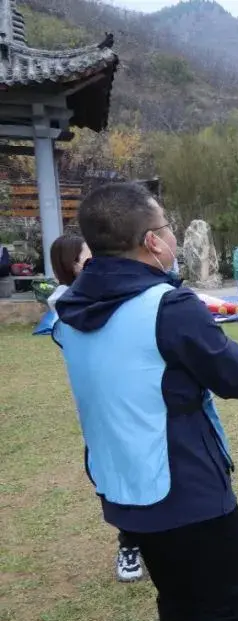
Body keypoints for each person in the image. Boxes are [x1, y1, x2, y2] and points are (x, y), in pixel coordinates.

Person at [51, 182, 238, 621]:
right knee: (227, 604)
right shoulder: (169, 306)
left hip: (122, 482)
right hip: (185, 485)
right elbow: (236, 376)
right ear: (152, 241)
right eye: (167, 227)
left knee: (179, 600)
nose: (173, 236)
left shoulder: (70, 309)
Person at [50, 235, 147, 583]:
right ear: (71, 266)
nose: (96, 263)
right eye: (86, 258)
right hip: (104, 408)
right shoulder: (67, 305)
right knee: (120, 476)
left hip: (138, 399)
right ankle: (129, 545)